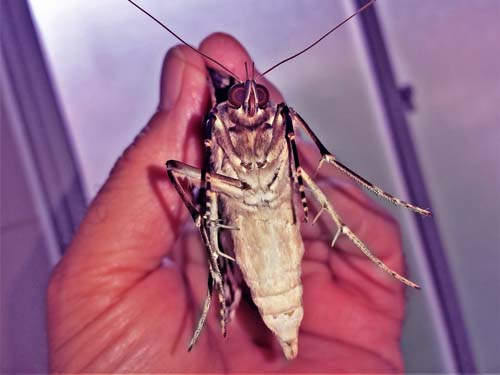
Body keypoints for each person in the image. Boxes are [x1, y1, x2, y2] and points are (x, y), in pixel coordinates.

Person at [47, 33, 408, 373]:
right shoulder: (217, 125)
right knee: (178, 170)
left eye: (258, 100)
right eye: (241, 100)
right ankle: (218, 270)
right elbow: (180, 169)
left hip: (276, 221)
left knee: (312, 167)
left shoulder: (281, 119)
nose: (251, 103)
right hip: (240, 210)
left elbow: (303, 152)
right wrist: (206, 219)